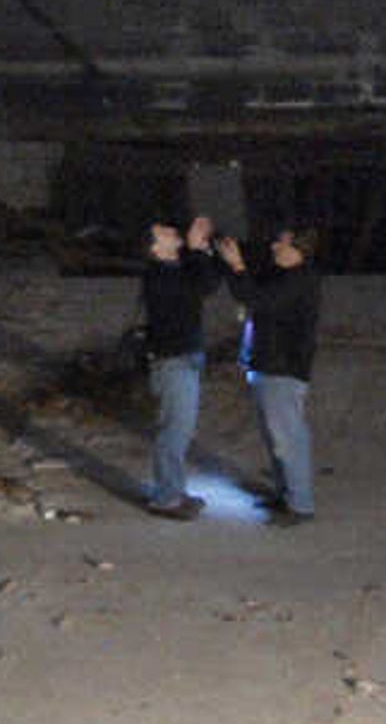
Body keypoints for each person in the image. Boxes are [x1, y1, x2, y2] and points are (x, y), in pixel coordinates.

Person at [215, 225, 320, 525]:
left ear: (299, 249)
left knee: (288, 438)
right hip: (267, 364)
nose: (274, 246)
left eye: (282, 243)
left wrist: (237, 265)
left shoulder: (300, 279)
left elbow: (259, 300)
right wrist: (235, 265)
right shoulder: (281, 275)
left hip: (283, 367)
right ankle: (285, 494)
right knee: (276, 437)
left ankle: (300, 504)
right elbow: (248, 292)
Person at [136, 214, 226, 519]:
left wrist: (202, 248)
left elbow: (208, 283)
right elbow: (198, 288)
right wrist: (198, 250)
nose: (171, 229)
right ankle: (166, 498)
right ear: (154, 248)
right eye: (161, 230)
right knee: (174, 430)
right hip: (172, 361)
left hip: (184, 356)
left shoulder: (174, 268)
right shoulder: (158, 275)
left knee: (180, 429)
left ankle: (174, 491)